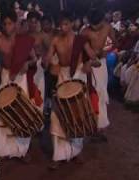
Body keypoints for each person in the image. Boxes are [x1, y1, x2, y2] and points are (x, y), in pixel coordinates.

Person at [44, 11, 97, 169]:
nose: (63, 26)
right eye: (61, 24)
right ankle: (58, 155)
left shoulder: (81, 40)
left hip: (78, 77)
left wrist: (89, 63)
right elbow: (47, 60)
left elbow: (93, 57)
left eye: (66, 23)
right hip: (62, 77)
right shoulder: (55, 40)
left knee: (76, 115)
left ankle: (76, 151)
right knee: (56, 116)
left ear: (72, 23)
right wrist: (47, 63)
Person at [0, 11, 39, 163]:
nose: (6, 26)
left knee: (22, 113)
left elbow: (34, 59)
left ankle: (21, 151)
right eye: (4, 24)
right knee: (1, 113)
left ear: (16, 24)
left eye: (10, 23)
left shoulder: (23, 40)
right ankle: (1, 149)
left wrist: (26, 63)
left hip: (20, 78)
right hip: (5, 77)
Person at [81, 9, 116, 141]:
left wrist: (106, 52)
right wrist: (88, 62)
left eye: (98, 24)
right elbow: (80, 49)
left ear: (103, 20)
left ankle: (99, 127)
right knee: (89, 94)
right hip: (88, 65)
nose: (95, 27)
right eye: (92, 24)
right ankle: (89, 125)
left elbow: (115, 43)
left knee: (101, 93)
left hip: (101, 65)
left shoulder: (108, 27)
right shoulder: (85, 31)